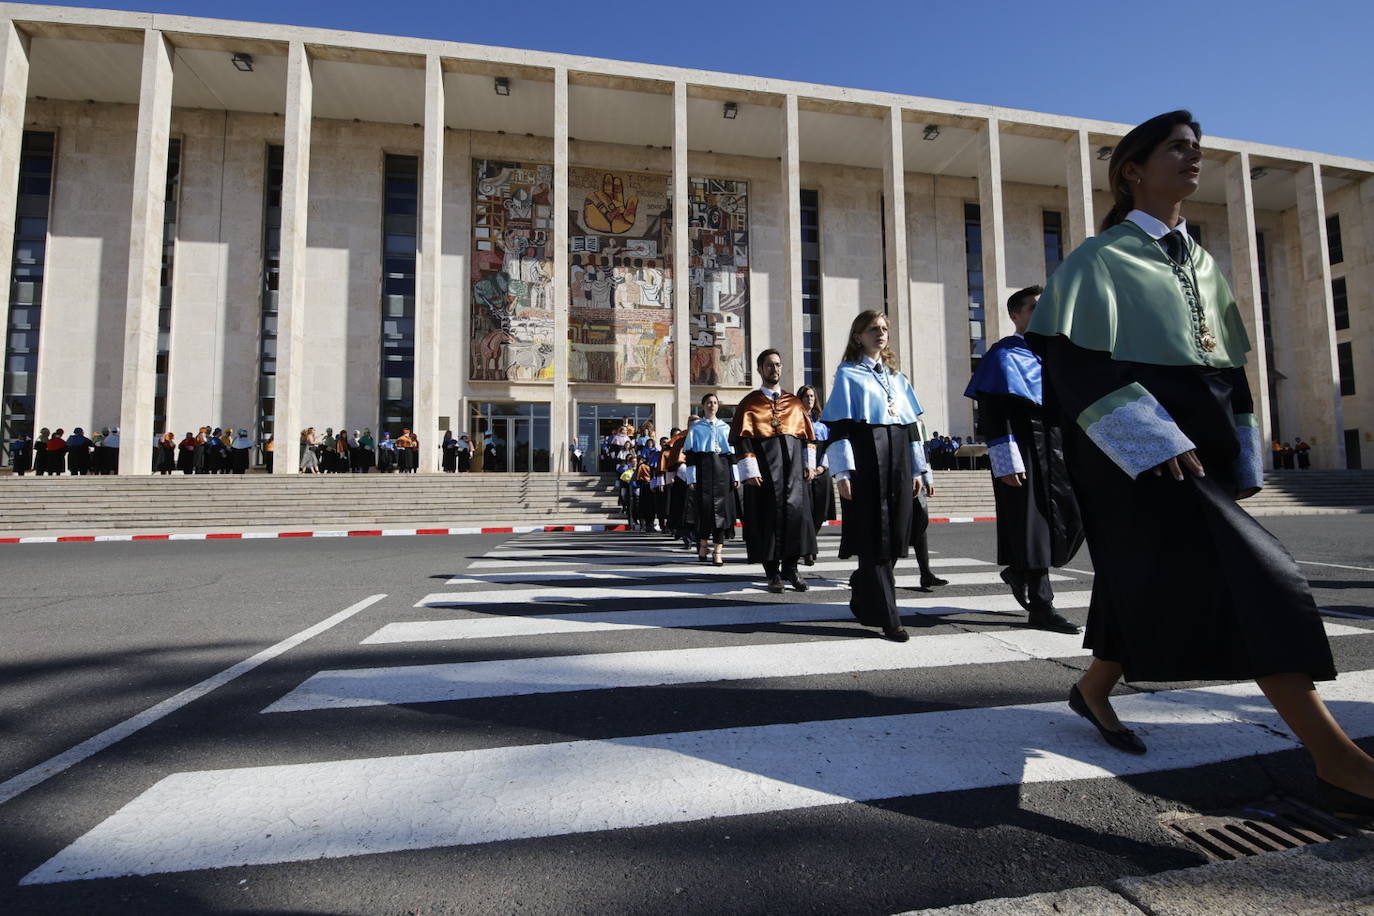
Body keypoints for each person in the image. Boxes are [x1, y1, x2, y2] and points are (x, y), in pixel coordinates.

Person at [1028, 110, 1374, 821]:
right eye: (1178, 149)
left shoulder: (1205, 260)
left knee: (1156, 570)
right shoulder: (1098, 258)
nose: (1194, 159)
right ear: (1133, 169)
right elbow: (1074, 367)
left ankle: (1093, 689)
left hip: (1201, 443)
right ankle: (1338, 761)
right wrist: (1152, 438)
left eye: (1198, 150)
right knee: (1256, 575)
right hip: (1138, 449)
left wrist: (1242, 449)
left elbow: (1230, 365)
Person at [965, 284, 1084, 634]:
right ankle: (1042, 605)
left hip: (1059, 447)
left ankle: (1018, 571)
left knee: (1073, 518)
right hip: (1023, 449)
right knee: (1033, 527)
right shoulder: (1004, 355)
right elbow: (991, 410)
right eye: (1032, 307)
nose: (1040, 312)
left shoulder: (1060, 353)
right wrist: (1005, 458)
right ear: (1015, 316)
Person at [820, 310, 930, 641]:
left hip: (898, 460)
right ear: (858, 336)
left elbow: (912, 428)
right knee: (877, 538)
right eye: (873, 329)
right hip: (867, 463)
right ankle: (890, 617)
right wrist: (841, 471)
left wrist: (918, 468)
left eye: (884, 329)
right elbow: (838, 427)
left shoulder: (898, 378)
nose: (880, 333)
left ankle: (862, 584)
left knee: (895, 537)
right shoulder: (848, 374)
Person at [731, 349, 816, 593]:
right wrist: (749, 469)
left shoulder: (794, 403)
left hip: (792, 472)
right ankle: (772, 573)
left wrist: (809, 464)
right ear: (760, 370)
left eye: (777, 365)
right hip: (765, 473)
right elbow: (742, 440)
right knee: (767, 519)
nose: (774, 369)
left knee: (795, 517)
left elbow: (806, 437)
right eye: (769, 365)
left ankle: (791, 568)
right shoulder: (750, 403)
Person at [680, 393, 737, 565]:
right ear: (703, 406)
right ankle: (703, 544)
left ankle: (718, 550)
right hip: (703, 471)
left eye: (714, 403)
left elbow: (732, 455)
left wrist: (736, 475)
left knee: (721, 512)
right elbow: (690, 455)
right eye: (708, 403)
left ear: (718, 406)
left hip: (722, 472)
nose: (712, 405)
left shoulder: (726, 428)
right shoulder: (696, 428)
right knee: (704, 511)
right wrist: (691, 477)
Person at [796, 384, 836, 565]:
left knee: (820, 511)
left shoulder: (822, 422)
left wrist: (822, 467)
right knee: (805, 512)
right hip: (802, 472)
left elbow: (829, 447)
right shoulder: (795, 421)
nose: (809, 399)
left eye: (812, 396)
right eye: (805, 396)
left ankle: (810, 542)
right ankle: (807, 549)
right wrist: (804, 466)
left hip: (821, 470)